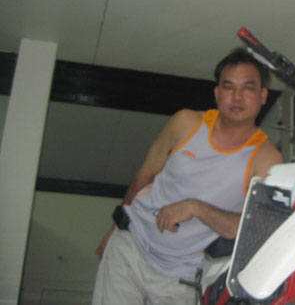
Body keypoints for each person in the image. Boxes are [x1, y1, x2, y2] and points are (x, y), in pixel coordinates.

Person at [92, 48, 283, 305]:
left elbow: (250, 230)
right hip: (131, 246)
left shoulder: (267, 158)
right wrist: (115, 229)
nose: (237, 96)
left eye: (248, 88)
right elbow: (143, 178)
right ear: (217, 94)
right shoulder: (185, 123)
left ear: (263, 96)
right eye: (228, 87)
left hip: (182, 275)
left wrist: (195, 208)